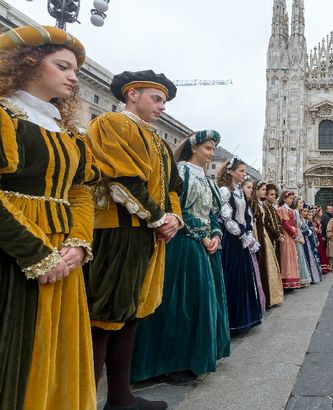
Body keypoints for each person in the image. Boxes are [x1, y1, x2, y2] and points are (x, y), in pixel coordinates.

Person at [0, 26, 99, 410]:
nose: (74, 77)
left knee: (58, 345)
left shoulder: (66, 132)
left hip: (63, 251)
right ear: (27, 64)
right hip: (19, 250)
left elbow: (80, 190)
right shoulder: (6, 117)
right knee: (19, 344)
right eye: (63, 66)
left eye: (74, 69)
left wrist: (77, 241)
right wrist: (35, 252)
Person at [86, 69, 183, 410]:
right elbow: (122, 178)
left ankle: (119, 398)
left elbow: (174, 187)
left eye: (164, 101)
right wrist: (159, 218)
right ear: (132, 95)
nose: (162, 107)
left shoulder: (157, 141)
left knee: (132, 312)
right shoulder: (113, 125)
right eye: (156, 99)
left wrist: (174, 218)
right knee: (105, 315)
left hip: (147, 233)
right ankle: (84, 401)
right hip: (117, 230)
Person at [131, 130, 230, 385]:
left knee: (199, 303)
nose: (211, 153)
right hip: (183, 246)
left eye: (213, 149)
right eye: (208, 148)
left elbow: (211, 215)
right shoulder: (181, 172)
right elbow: (176, 209)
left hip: (204, 247)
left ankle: (191, 358)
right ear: (194, 147)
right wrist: (202, 236)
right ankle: (167, 361)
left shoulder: (207, 180)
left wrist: (216, 234)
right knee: (179, 304)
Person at [218, 158, 263, 332]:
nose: (244, 174)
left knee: (244, 277)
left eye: (244, 171)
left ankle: (245, 318)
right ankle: (232, 321)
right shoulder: (225, 191)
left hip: (242, 240)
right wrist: (242, 235)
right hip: (231, 240)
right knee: (233, 277)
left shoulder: (240, 192)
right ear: (230, 171)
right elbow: (226, 217)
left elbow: (247, 215)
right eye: (241, 171)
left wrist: (250, 233)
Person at [251, 181, 284, 307]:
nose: (266, 193)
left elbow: (277, 222)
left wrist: (279, 233)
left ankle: (271, 296)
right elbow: (265, 223)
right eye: (264, 190)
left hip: (266, 237)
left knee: (270, 265)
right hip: (261, 236)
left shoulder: (266, 206)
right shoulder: (259, 205)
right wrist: (276, 234)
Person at [242, 179, 266, 311]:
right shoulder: (250, 203)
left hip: (255, 234)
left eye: (252, 187)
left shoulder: (255, 204)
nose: (250, 190)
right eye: (248, 187)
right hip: (247, 236)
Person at [277, 191, 302, 288]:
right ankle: (286, 280)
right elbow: (285, 224)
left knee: (291, 256)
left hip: (291, 236)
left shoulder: (289, 210)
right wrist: (294, 234)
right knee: (286, 257)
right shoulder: (282, 209)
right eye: (290, 198)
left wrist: (295, 232)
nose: (292, 200)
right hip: (286, 235)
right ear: (284, 198)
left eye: (292, 199)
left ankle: (292, 280)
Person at [292, 198, 313, 287]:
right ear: (296, 203)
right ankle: (300, 279)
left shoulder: (297, 213)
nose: (302, 204)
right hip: (298, 237)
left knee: (301, 256)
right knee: (299, 256)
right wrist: (299, 237)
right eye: (300, 202)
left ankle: (302, 279)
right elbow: (296, 227)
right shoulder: (295, 213)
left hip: (300, 236)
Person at [300, 205, 323, 284]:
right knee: (309, 258)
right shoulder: (304, 221)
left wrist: (314, 238)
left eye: (309, 213)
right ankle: (311, 276)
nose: (309, 215)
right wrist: (308, 232)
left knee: (314, 258)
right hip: (306, 242)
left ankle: (315, 276)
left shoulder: (309, 222)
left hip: (311, 242)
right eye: (306, 212)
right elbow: (301, 230)